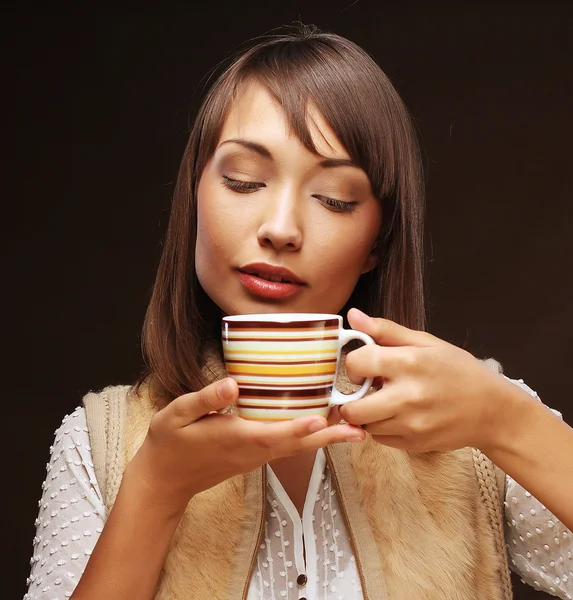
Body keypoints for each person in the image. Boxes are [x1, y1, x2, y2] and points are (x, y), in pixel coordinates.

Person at [24, 24, 573, 600]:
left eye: (335, 198)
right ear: (193, 195)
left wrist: (507, 423)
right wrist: (155, 491)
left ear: (377, 243)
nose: (281, 229)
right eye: (244, 181)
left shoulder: (473, 418)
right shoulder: (99, 440)